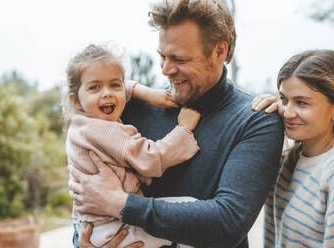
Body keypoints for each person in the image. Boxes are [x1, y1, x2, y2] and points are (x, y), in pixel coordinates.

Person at [68, 0, 285, 247]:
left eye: (179, 59)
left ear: (219, 52)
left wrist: (121, 204)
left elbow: (228, 222)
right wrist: (82, 243)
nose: (166, 69)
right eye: (162, 56)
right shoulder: (131, 108)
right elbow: (86, 201)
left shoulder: (256, 120)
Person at [63, 44, 201, 247]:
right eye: (95, 87)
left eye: (115, 85)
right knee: (193, 217)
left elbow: (107, 83)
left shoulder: (80, 123)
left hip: (90, 229)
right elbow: (151, 158)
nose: (107, 93)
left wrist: (144, 92)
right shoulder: (103, 131)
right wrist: (184, 128)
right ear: (76, 100)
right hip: (112, 229)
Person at [252, 49, 334, 247]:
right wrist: (259, 117)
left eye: (302, 103)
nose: (288, 113)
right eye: (284, 99)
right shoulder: (285, 162)